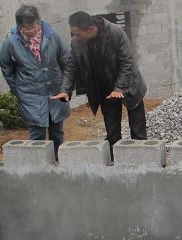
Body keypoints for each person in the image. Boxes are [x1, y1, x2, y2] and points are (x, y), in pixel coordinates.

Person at [52, 11, 147, 151]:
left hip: (129, 86)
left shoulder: (116, 33)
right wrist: (65, 89)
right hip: (105, 90)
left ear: (90, 29)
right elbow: (72, 66)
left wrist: (119, 88)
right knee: (112, 134)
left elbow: (127, 63)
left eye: (78, 34)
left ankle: (141, 158)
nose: (75, 37)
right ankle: (114, 160)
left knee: (138, 133)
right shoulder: (77, 43)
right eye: (74, 34)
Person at [0, 5, 70, 155]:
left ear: (39, 22)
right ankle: (38, 163)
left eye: (33, 26)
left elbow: (66, 61)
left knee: (57, 130)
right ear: (19, 26)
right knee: (37, 133)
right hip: (30, 94)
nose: (30, 30)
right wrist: (19, 90)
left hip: (55, 90)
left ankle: (58, 160)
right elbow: (6, 67)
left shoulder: (52, 36)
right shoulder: (11, 42)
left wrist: (66, 87)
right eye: (26, 27)